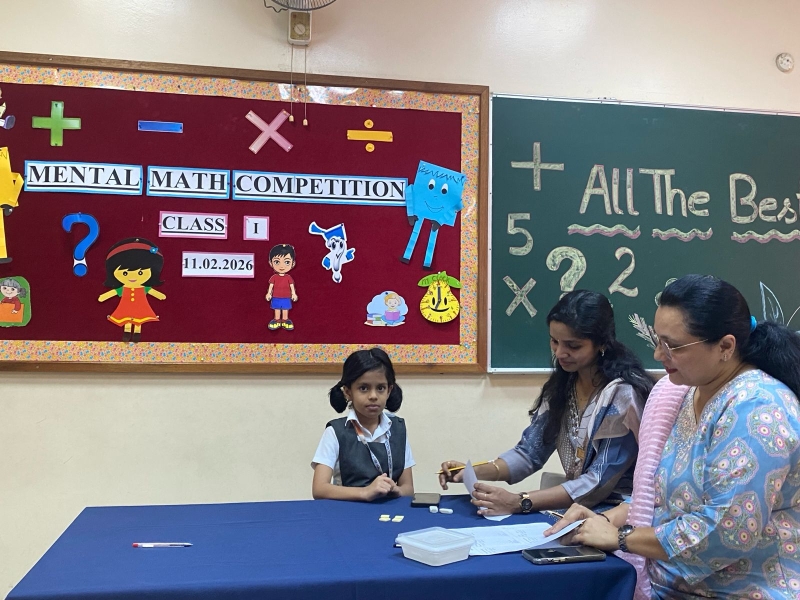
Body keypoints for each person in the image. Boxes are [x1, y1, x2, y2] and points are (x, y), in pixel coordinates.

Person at [546, 275, 800, 600]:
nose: (657, 354)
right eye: (657, 341)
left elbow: (728, 531)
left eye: (673, 346)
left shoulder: (756, 406)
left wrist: (621, 537)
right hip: (672, 586)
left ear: (725, 347)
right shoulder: (686, 392)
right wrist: (604, 519)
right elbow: (666, 502)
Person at [440, 290, 654, 515]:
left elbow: (598, 482)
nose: (560, 353)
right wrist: (471, 471)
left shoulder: (622, 396)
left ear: (601, 343)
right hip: (577, 510)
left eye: (573, 346)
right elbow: (529, 453)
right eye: (554, 341)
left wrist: (520, 501)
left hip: (620, 515)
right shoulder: (563, 386)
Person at [312, 347, 414, 501]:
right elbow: (319, 489)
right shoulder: (336, 432)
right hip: (348, 510)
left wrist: (397, 490)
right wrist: (365, 492)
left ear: (389, 390)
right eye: (363, 388)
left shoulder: (397, 429)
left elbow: (408, 488)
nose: (373, 396)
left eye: (380, 388)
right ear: (348, 392)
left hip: (390, 511)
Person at [98, 238, 166, 343]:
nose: (133, 277)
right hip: (126, 306)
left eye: (140, 273)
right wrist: (103, 297)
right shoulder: (124, 288)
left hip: (141, 306)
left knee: (139, 319)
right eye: (125, 273)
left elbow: (152, 292)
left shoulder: (144, 288)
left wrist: (160, 295)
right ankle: (127, 331)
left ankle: (137, 333)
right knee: (127, 318)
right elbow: (114, 292)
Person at [265, 243, 297, 331]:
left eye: (287, 262)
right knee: (277, 308)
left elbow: (292, 286)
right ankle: (277, 320)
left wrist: (294, 294)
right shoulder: (274, 277)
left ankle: (285, 320)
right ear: (271, 263)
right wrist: (268, 294)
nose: (281, 266)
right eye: (277, 262)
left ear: (293, 263)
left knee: (285, 308)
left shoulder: (288, 277)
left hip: (286, 297)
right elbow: (271, 286)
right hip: (276, 296)